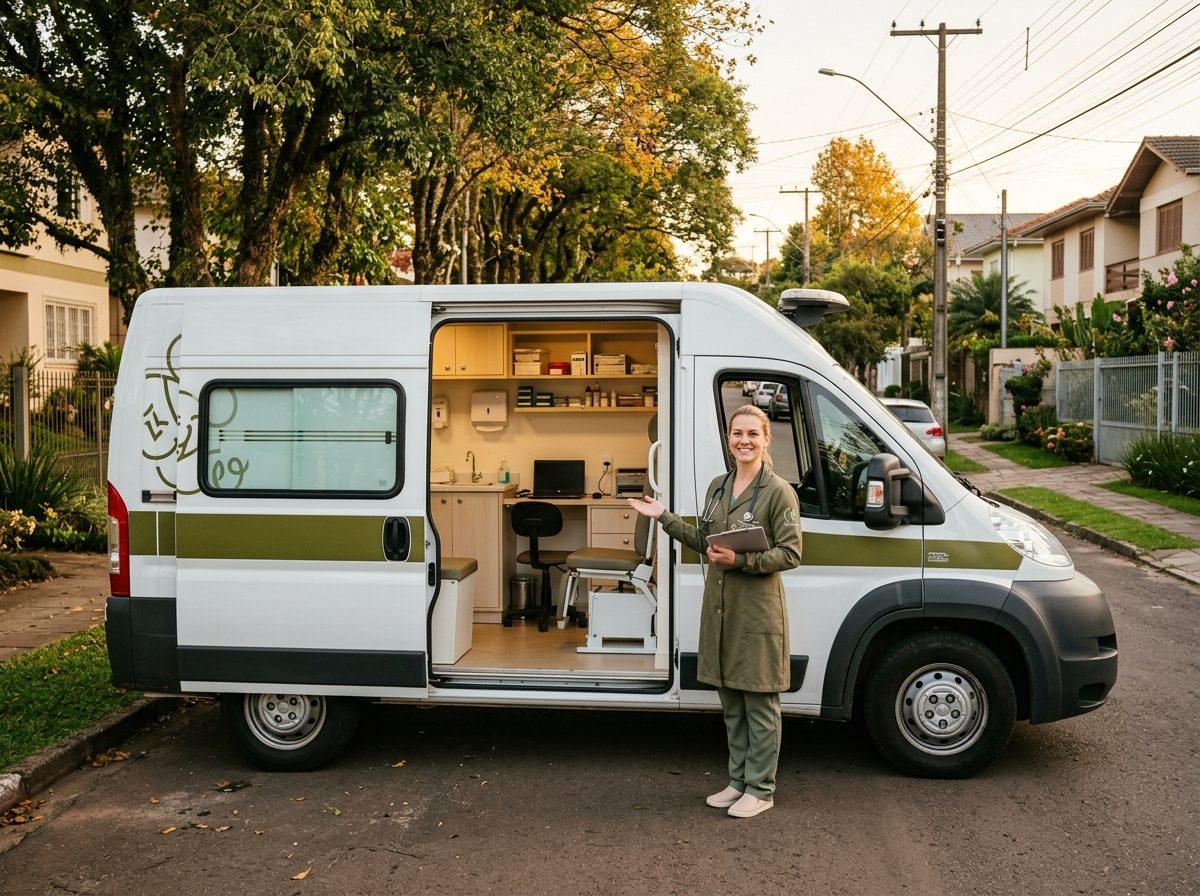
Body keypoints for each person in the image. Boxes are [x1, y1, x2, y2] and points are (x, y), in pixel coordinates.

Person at [628, 404, 801, 818]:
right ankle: (739, 782)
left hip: (757, 613)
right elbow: (706, 540)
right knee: (732, 704)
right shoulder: (718, 487)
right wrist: (664, 518)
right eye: (737, 433)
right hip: (721, 610)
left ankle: (761, 788)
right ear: (728, 439)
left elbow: (791, 553)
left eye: (752, 434)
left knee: (759, 704)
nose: (744, 440)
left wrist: (740, 562)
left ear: (765, 440)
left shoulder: (778, 492)